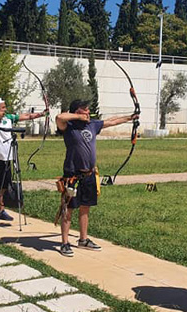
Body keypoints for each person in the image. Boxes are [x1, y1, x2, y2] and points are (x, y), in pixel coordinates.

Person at [54, 99, 138, 257]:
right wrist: (77, 118)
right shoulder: (68, 126)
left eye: (87, 109)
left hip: (89, 174)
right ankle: (65, 243)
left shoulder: (92, 125)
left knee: (86, 207)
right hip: (73, 176)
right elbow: (59, 117)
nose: (87, 111)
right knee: (68, 209)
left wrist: (130, 117)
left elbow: (112, 121)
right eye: (84, 109)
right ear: (76, 112)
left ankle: (83, 239)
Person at [0, 97, 45, 226]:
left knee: (4, 187)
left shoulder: (9, 118)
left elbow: (26, 116)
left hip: (6, 159)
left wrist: (41, 114)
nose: (5, 109)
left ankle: (1, 210)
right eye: (2, 107)